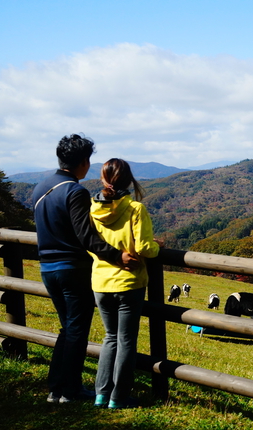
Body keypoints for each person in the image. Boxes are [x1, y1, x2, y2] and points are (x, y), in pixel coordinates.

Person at [33, 134, 138, 403]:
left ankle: (56, 388)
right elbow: (86, 236)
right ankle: (70, 390)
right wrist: (118, 256)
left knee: (67, 327)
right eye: (88, 160)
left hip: (47, 268)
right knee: (77, 330)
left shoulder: (40, 187)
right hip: (71, 268)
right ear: (82, 162)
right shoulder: (74, 191)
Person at [89, 158, 162, 409]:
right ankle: (118, 398)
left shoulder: (93, 209)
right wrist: (156, 246)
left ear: (104, 180)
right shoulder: (135, 209)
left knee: (110, 338)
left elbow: (91, 246)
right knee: (126, 340)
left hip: (100, 281)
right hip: (129, 283)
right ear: (129, 180)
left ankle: (100, 394)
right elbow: (143, 248)